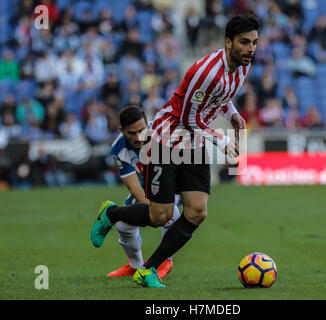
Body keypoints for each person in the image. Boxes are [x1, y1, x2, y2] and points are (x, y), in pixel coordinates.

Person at [90, 14, 259, 288]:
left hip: (194, 143)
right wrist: (221, 139)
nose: (250, 48)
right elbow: (188, 119)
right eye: (244, 42)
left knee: (196, 212)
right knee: (161, 216)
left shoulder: (242, 67)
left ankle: (148, 270)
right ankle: (112, 214)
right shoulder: (205, 72)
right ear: (228, 42)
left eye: (254, 42)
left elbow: (222, 98)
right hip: (167, 140)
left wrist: (234, 115)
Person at [107, 106, 180, 279]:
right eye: (132, 133)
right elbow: (134, 188)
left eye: (142, 130)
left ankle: (166, 261)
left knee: (171, 215)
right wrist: (151, 211)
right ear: (122, 130)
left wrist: (160, 212)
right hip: (146, 184)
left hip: (174, 181)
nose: (139, 137)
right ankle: (135, 265)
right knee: (123, 224)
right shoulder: (118, 149)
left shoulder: (164, 137)